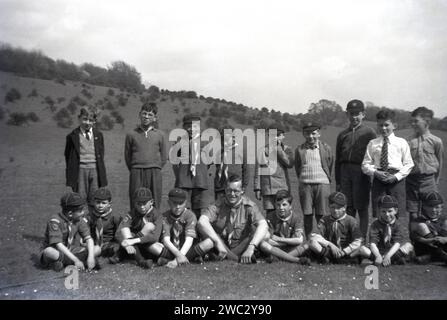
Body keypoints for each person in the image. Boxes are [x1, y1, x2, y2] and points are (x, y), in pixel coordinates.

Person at [195, 174, 269, 264]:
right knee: (209, 239)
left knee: (265, 234)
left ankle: (230, 257)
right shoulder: (217, 205)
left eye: (236, 191)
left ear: (242, 191)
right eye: (229, 190)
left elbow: (263, 224)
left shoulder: (249, 206)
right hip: (220, 247)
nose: (232, 194)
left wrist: (251, 247)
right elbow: (201, 222)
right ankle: (240, 259)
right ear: (225, 190)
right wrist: (218, 242)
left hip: (241, 247)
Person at [362, 109, 414, 218]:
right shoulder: (373, 143)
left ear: (394, 125)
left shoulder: (401, 142)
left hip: (396, 181)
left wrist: (396, 177)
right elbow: (365, 165)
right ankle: (380, 234)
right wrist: (376, 173)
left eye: (386, 125)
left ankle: (396, 234)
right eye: (380, 125)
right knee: (379, 212)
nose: (383, 128)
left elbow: (409, 164)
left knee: (397, 213)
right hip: (379, 180)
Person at [335, 99, 376, 238]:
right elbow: (338, 159)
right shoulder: (342, 135)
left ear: (363, 114)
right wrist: (338, 180)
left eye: (357, 114)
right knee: (348, 208)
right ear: (347, 114)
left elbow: (374, 156)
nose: (354, 117)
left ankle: (362, 240)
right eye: (351, 114)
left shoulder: (369, 133)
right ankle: (350, 239)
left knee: (362, 208)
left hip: (361, 173)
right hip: (345, 172)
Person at [40, 192, 99, 271]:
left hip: (70, 249)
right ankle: (74, 262)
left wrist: (91, 257)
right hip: (56, 250)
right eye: (81, 211)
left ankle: (62, 262)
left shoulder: (79, 220)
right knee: (48, 252)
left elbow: (89, 238)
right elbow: (58, 245)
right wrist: (76, 260)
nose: (83, 213)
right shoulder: (55, 221)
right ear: (70, 213)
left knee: (97, 249)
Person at [294, 120, 333, 238]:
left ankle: (323, 241)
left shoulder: (326, 148)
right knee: (307, 214)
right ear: (304, 134)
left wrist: (323, 178)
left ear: (319, 133)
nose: (310, 136)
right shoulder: (299, 149)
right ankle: (310, 242)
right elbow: (297, 167)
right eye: (307, 133)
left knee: (322, 215)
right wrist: (303, 179)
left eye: (313, 133)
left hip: (322, 185)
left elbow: (329, 164)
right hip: (305, 185)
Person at [125, 102, 167, 209]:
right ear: (139, 114)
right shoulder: (131, 134)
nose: (146, 117)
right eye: (144, 114)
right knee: (136, 198)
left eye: (150, 115)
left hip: (154, 171)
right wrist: (135, 167)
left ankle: (155, 223)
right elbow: (127, 156)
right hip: (137, 170)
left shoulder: (160, 135)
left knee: (155, 198)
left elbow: (163, 157)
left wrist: (155, 166)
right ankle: (135, 224)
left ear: (155, 118)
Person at [406, 107, 443, 228]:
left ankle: (429, 242)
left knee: (430, 213)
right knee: (413, 215)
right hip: (412, 182)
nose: (413, 124)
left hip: (429, 182)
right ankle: (414, 243)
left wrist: (435, 182)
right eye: (412, 121)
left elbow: (440, 162)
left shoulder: (436, 141)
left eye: (416, 121)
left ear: (427, 122)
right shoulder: (409, 141)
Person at [172, 114, 213, 218]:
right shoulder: (179, 141)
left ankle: (199, 233)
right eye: (188, 126)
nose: (192, 129)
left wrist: (200, 171)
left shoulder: (206, 141)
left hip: (200, 181)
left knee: (200, 209)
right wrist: (180, 176)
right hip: (184, 181)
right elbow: (174, 161)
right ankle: (184, 233)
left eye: (195, 126)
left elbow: (209, 162)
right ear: (184, 127)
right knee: (183, 208)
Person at [64, 105, 107, 203]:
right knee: (80, 198)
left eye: (91, 120)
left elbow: (101, 154)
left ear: (94, 121)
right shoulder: (72, 136)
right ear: (79, 118)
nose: (87, 122)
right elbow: (68, 156)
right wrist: (72, 171)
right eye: (85, 119)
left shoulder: (99, 135)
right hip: (80, 170)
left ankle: (93, 217)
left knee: (95, 198)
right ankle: (80, 218)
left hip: (95, 170)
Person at [113, 188, 163, 269]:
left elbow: (155, 237)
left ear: (151, 202)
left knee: (149, 226)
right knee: (125, 229)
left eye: (144, 203)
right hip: (133, 247)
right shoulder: (132, 213)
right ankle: (141, 261)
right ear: (134, 203)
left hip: (148, 245)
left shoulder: (157, 215)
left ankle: (120, 254)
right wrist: (127, 245)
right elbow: (119, 232)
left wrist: (132, 241)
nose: (142, 207)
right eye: (138, 204)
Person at [358, 195, 414, 266]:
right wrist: (378, 255)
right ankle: (391, 260)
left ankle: (382, 261)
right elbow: (373, 243)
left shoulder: (397, 225)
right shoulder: (375, 224)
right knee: (362, 249)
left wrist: (388, 256)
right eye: (383, 211)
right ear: (379, 211)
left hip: (392, 252)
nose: (387, 214)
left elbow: (397, 243)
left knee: (409, 246)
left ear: (395, 211)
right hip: (378, 252)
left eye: (390, 211)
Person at [308, 192, 363, 264]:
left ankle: (335, 259)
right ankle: (329, 257)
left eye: (338, 208)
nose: (335, 210)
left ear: (344, 208)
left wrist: (345, 251)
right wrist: (330, 245)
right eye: (332, 207)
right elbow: (313, 235)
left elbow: (358, 240)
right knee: (312, 243)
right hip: (330, 250)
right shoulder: (325, 219)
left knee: (361, 249)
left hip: (346, 251)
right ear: (329, 206)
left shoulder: (351, 220)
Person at [258, 190, 310, 265]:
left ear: (290, 206)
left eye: (284, 205)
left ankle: (276, 259)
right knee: (263, 244)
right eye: (278, 205)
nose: (281, 208)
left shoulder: (296, 218)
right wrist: (287, 243)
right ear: (275, 205)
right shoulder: (270, 216)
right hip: (276, 248)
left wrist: (280, 239)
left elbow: (299, 240)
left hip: (290, 248)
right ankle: (296, 260)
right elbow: (268, 239)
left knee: (307, 245)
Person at [255, 124, 294, 216]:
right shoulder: (262, 150)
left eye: (277, 135)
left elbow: (289, 164)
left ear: (283, 136)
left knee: (283, 213)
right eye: (272, 135)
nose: (274, 138)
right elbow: (257, 171)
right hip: (267, 188)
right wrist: (257, 188)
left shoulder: (287, 149)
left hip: (282, 187)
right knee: (270, 214)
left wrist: (278, 149)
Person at [158, 188, 198, 268]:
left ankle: (171, 260)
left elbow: (189, 241)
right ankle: (186, 259)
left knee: (208, 243)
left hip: (187, 249)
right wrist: (179, 255)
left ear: (186, 203)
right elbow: (166, 240)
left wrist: (176, 261)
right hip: (171, 250)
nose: (177, 206)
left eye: (181, 203)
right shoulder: (165, 216)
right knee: (153, 246)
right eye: (174, 203)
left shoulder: (190, 215)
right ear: (169, 202)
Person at [214, 125, 253, 202]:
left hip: (235, 188)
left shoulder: (240, 151)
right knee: (220, 210)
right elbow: (218, 169)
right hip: (220, 188)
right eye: (222, 139)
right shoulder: (219, 152)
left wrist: (244, 186)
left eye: (227, 139)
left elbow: (246, 170)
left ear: (233, 138)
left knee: (235, 209)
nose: (225, 142)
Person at [411, 192, 447, 265]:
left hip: (442, 247)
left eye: (437, 207)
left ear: (442, 207)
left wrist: (445, 239)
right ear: (424, 207)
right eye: (430, 206)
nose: (433, 210)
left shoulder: (443, 219)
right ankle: (440, 256)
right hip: (425, 247)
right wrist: (430, 240)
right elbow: (414, 237)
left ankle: (431, 257)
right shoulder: (418, 220)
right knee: (422, 226)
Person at [86, 187, 122, 260]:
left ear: (109, 203)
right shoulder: (89, 216)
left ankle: (115, 256)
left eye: (104, 203)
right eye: (98, 202)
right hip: (94, 244)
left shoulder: (115, 217)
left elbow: (119, 233)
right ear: (93, 202)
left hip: (108, 243)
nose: (100, 206)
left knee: (116, 248)